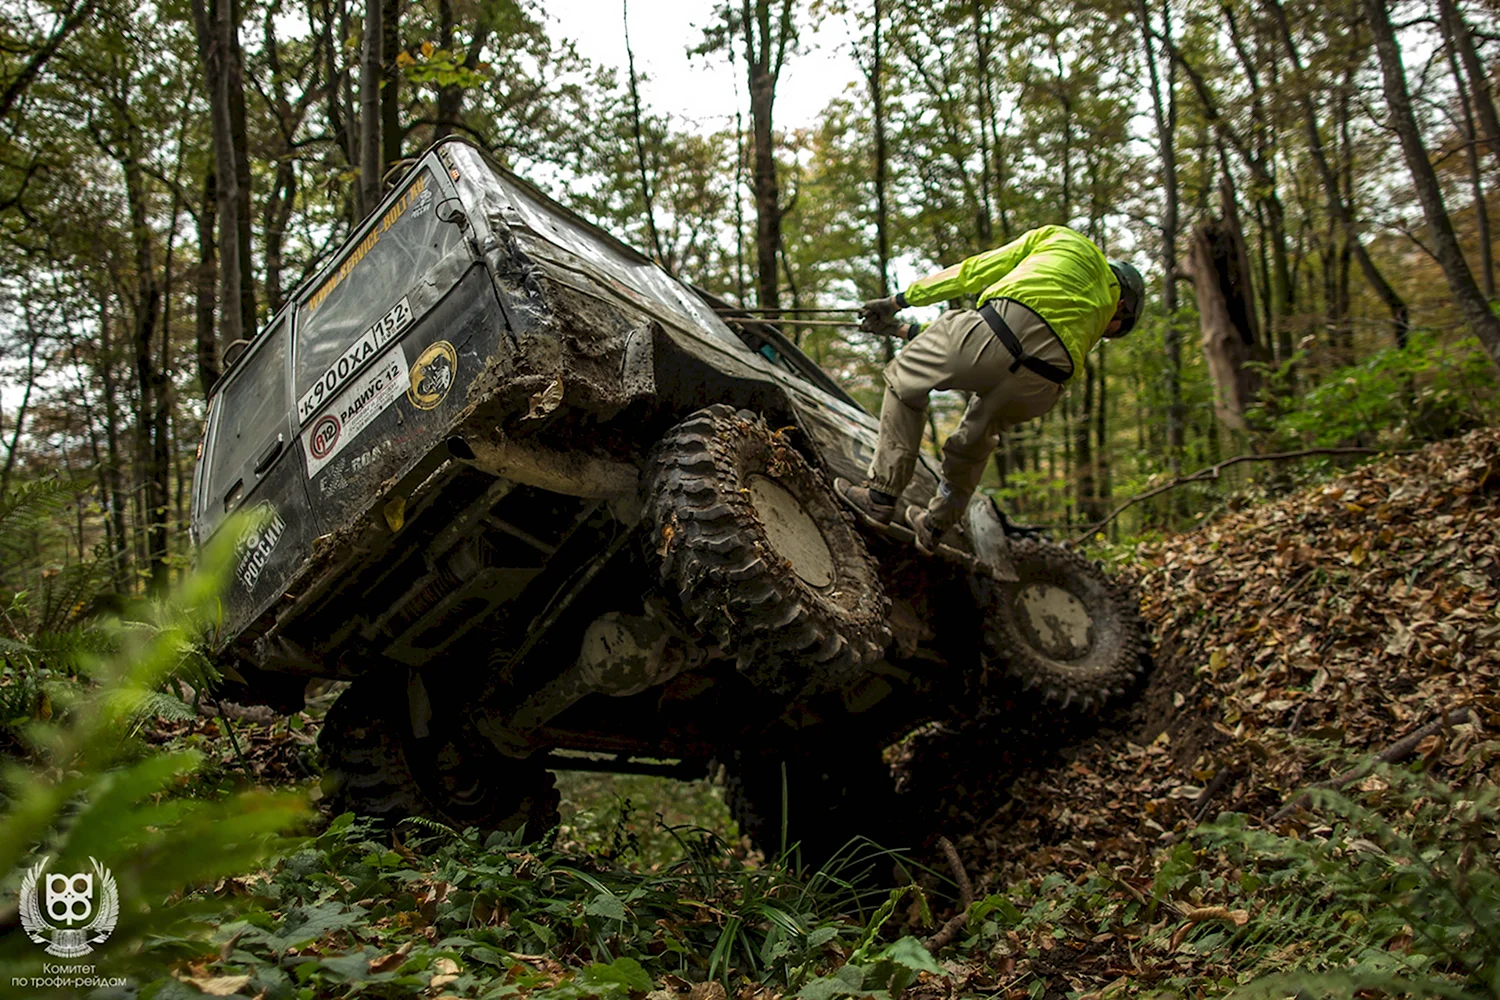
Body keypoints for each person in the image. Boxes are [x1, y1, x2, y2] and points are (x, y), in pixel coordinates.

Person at [836, 225, 1145, 552]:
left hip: (995, 332)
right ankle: (935, 525)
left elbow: (977, 282)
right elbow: (1018, 341)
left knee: (904, 382)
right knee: (975, 441)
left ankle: (879, 496)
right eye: (1114, 328)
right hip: (1043, 382)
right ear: (1123, 302)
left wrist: (898, 301)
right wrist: (901, 327)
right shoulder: (1094, 301)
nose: (1107, 332)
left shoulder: (1065, 241)